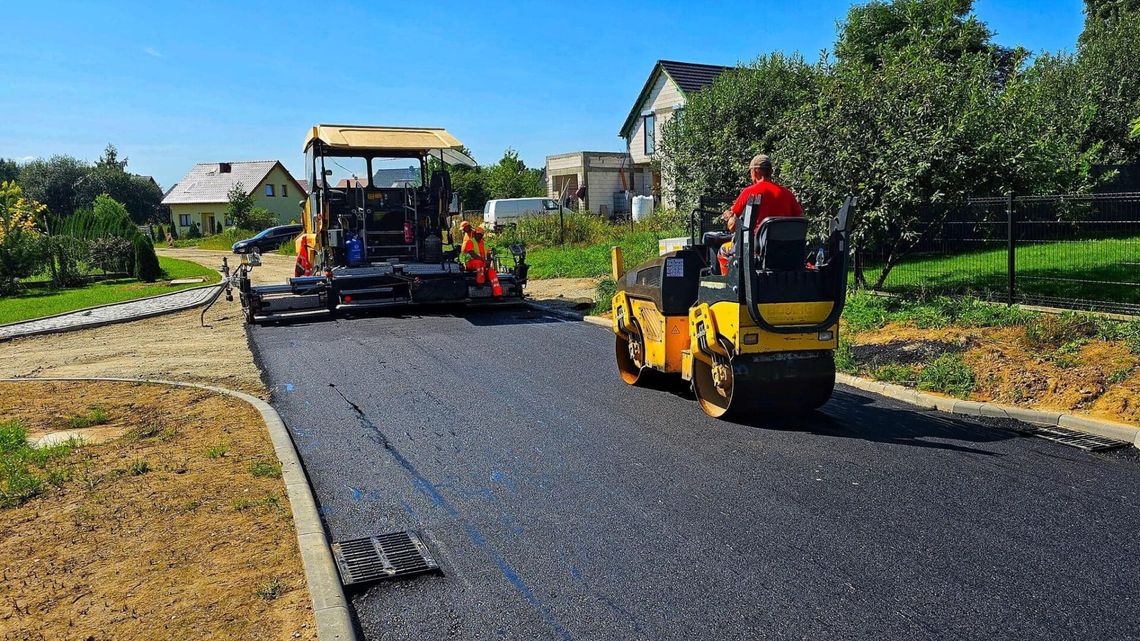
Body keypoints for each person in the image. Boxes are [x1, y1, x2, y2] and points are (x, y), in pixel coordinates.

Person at [721, 154, 802, 229]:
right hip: (785, 243)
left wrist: (728, 218)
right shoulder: (787, 194)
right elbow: (801, 220)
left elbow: (732, 226)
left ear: (755, 171)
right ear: (771, 172)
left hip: (758, 243)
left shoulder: (748, 192)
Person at [461, 226, 503, 297]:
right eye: (477, 234)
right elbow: (472, 254)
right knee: (479, 263)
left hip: (482, 264)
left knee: (492, 271)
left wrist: (488, 262)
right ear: (474, 234)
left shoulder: (485, 244)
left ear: (482, 235)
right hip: (470, 263)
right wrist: (484, 261)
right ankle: (480, 282)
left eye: (480, 234)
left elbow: (489, 256)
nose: (478, 235)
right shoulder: (470, 242)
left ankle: (498, 294)